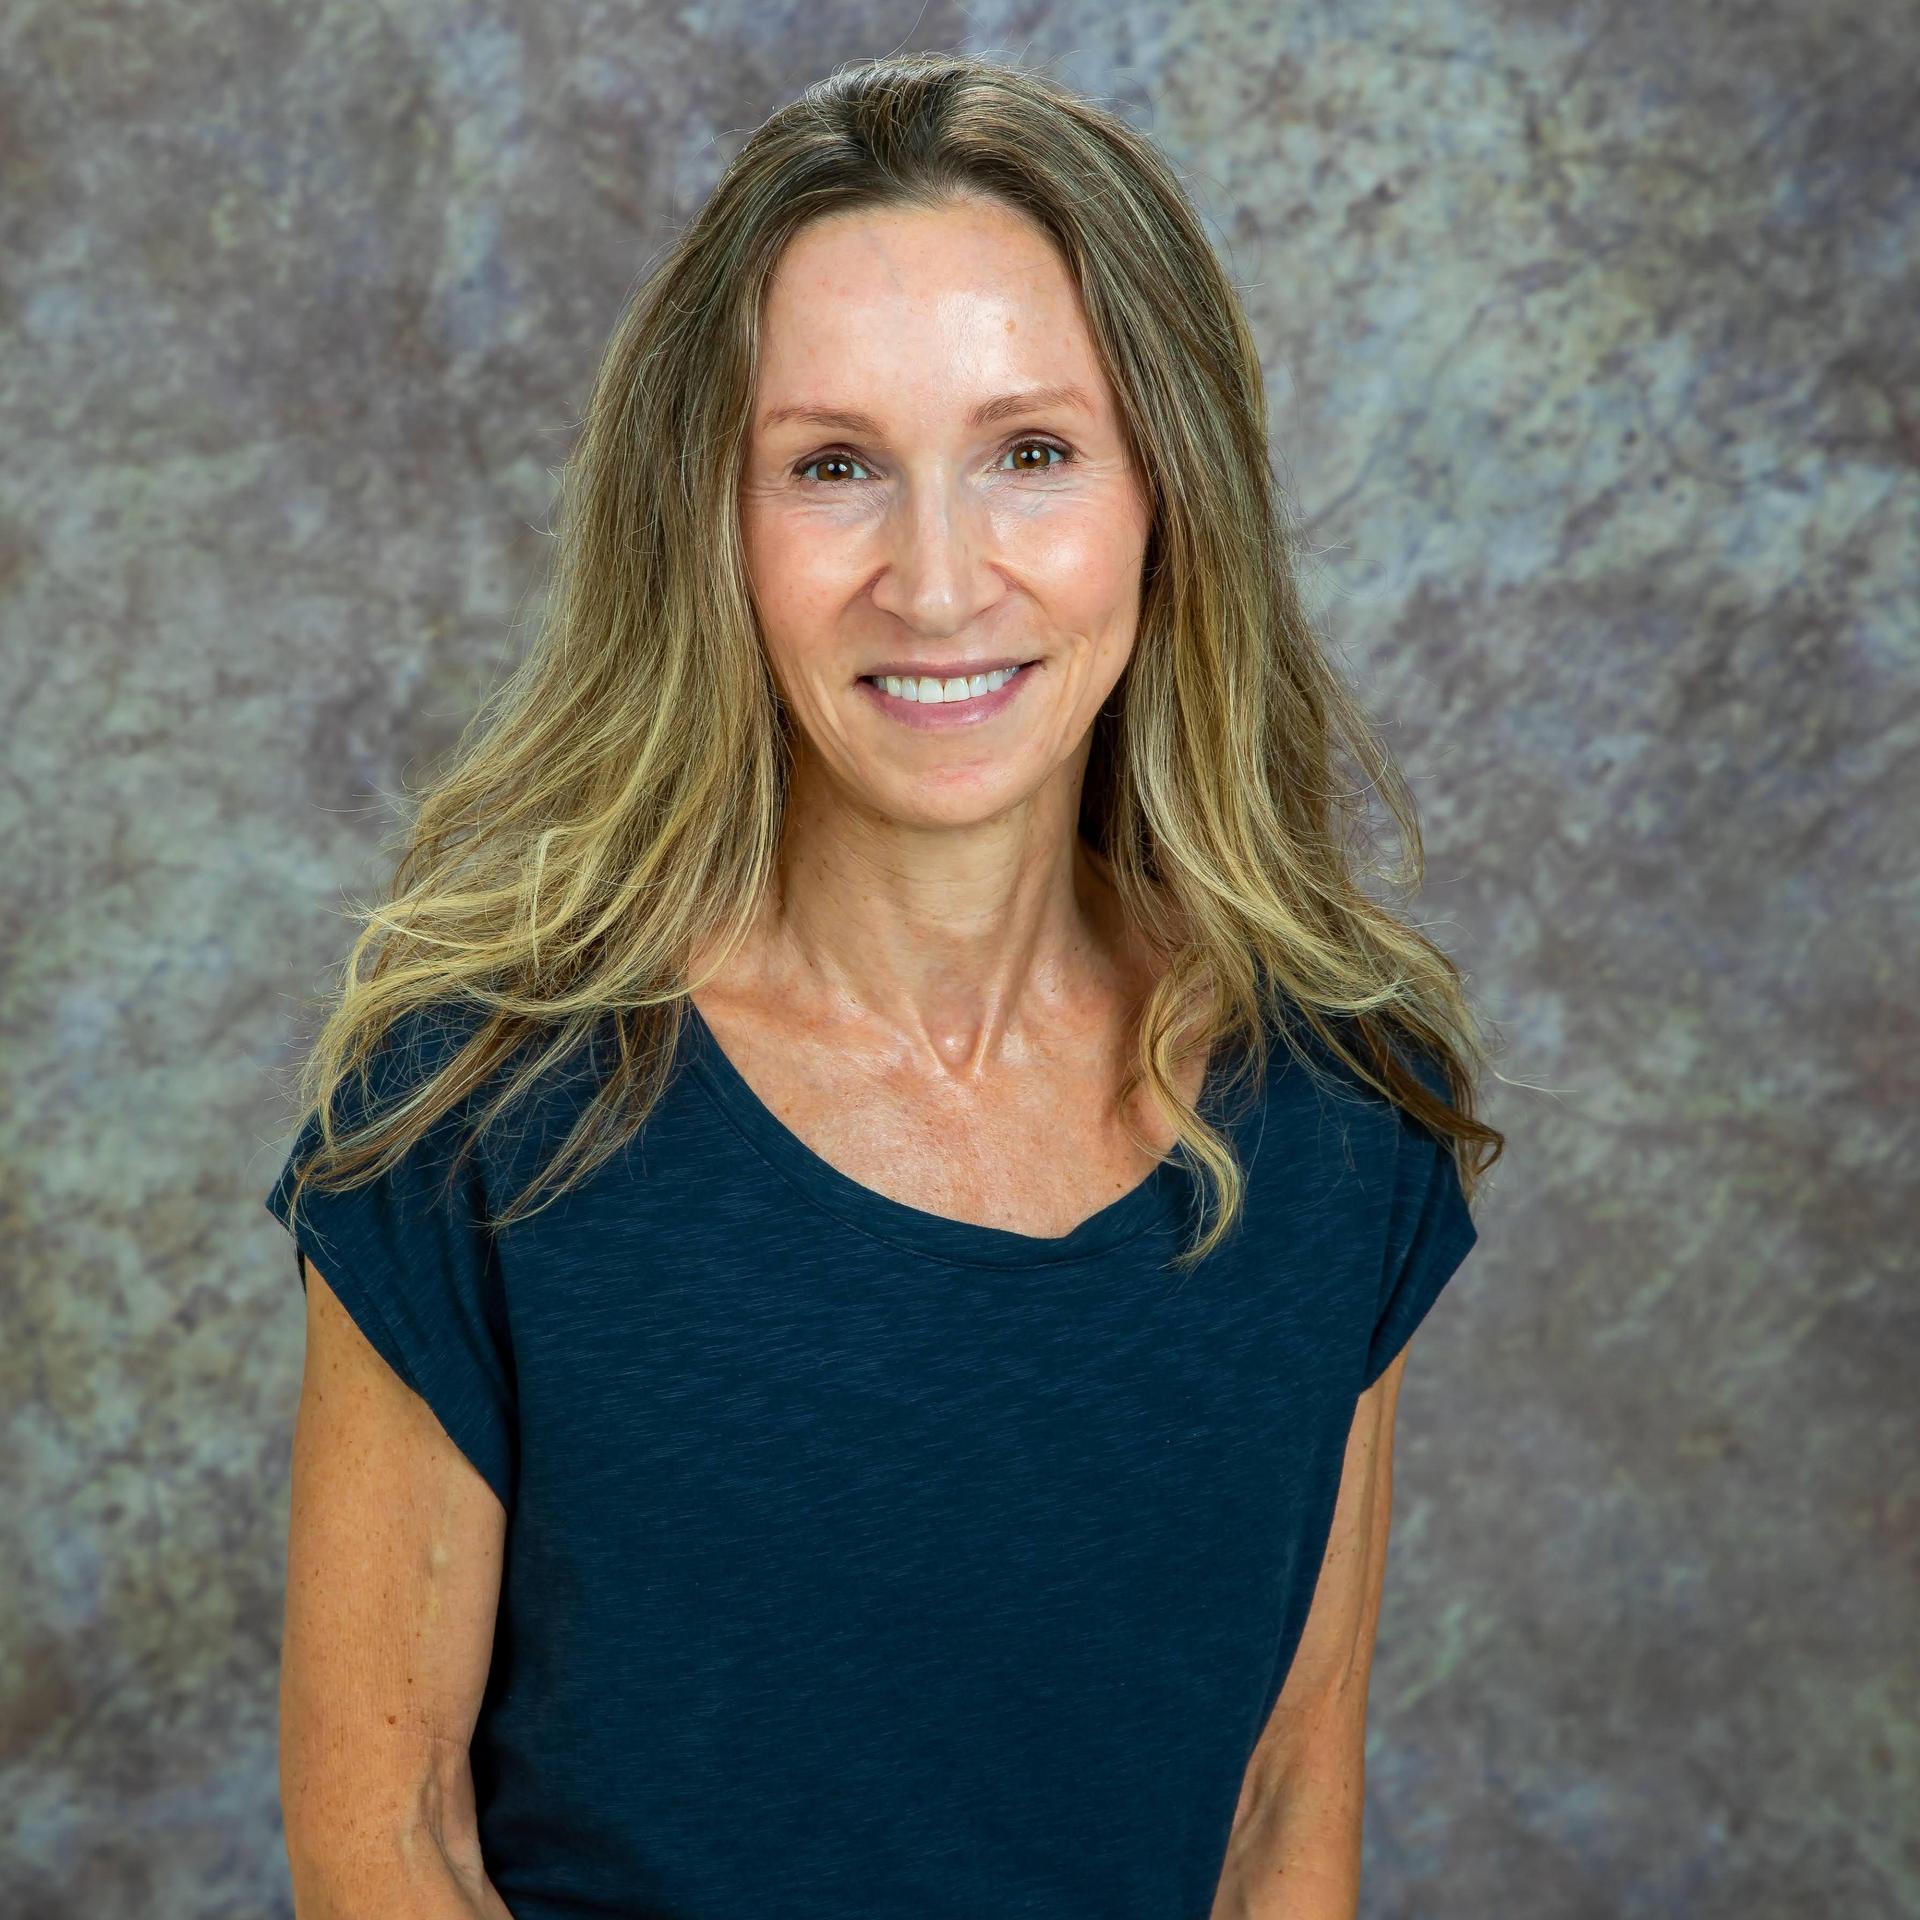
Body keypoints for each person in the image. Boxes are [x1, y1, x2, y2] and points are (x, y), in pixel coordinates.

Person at [264, 49, 1503, 1920]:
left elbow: (1277, 1821)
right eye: (833, 467)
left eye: (1030, 452)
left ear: (1167, 497)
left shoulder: (1341, 1113)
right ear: (715, 524)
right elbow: (388, 1842)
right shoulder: (482, 1106)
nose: (936, 582)